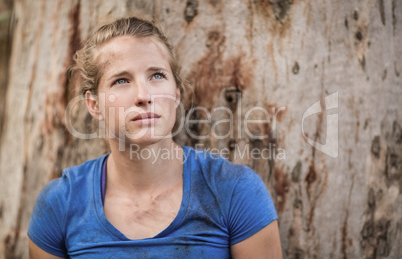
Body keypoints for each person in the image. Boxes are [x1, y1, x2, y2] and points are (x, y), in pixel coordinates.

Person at [28, 16, 283, 258]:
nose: (143, 95)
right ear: (94, 105)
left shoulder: (235, 191)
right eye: (121, 80)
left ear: (177, 93)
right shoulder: (59, 203)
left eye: (157, 76)